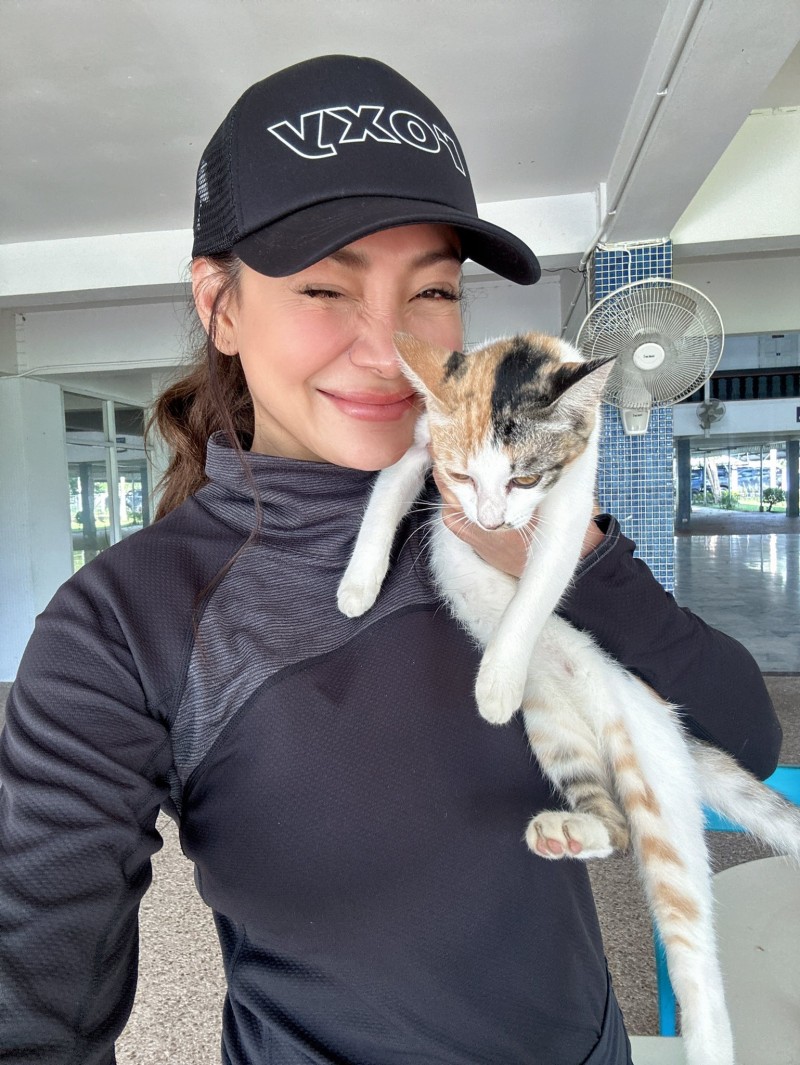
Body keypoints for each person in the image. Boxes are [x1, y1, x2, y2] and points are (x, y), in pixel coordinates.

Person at [0, 55, 781, 1065]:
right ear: (221, 305)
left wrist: (582, 558)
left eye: (433, 289)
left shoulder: (509, 518)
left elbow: (741, 737)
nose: (385, 349)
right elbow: (32, 1000)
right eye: (324, 286)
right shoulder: (124, 622)